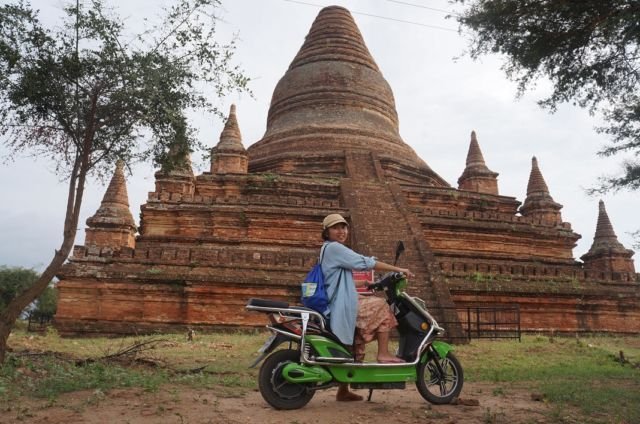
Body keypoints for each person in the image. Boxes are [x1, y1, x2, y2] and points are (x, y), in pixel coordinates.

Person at [319, 213, 415, 401]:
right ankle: (383, 353)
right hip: (339, 304)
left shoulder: (327, 250)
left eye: (344, 227)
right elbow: (365, 262)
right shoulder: (335, 248)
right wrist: (398, 269)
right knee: (381, 305)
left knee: (355, 341)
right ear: (327, 232)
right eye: (335, 228)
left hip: (337, 298)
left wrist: (365, 286)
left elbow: (336, 280)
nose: (341, 231)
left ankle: (343, 390)